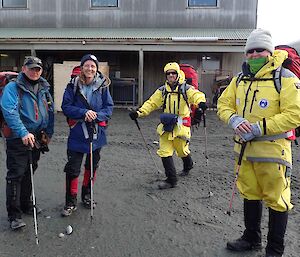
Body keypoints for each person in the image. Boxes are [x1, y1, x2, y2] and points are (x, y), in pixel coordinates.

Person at [217, 28, 300, 257]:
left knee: (277, 201)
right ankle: (251, 238)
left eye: (260, 50)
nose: (254, 55)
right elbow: (223, 105)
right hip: (244, 151)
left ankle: (274, 250)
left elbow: (294, 114)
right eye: (250, 51)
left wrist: (258, 128)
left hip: (273, 152)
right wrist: (234, 119)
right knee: (250, 193)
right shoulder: (239, 79)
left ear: (270, 52)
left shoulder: (285, 78)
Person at [129, 62, 206, 189]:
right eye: (168, 73)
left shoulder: (186, 88)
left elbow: (196, 95)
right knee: (165, 152)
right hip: (167, 126)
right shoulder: (162, 91)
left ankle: (188, 165)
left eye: (173, 73)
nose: (171, 75)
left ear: (177, 74)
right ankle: (171, 180)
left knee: (182, 150)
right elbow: (151, 103)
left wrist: (201, 102)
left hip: (182, 127)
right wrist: (139, 113)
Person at [0, 56, 54, 230]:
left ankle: (25, 204)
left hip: (37, 137)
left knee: (30, 170)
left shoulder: (44, 88)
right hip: (18, 138)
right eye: (31, 68)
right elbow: (9, 111)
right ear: (24, 69)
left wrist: (49, 132)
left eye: (37, 69)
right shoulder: (12, 88)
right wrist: (23, 132)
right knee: (16, 174)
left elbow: (50, 110)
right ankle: (14, 215)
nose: (35, 71)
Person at [61, 54, 113, 216]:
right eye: (87, 65)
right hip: (78, 132)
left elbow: (109, 108)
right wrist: (84, 112)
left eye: (93, 66)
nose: (90, 68)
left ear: (96, 68)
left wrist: (97, 116)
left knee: (92, 166)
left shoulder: (103, 86)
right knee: (73, 168)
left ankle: (87, 196)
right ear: (82, 67)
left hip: (97, 133)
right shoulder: (72, 86)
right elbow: (66, 107)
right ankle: (70, 201)